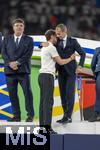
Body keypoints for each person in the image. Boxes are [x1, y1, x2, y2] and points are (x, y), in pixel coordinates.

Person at [38, 29, 75, 133]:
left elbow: (41, 45)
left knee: (43, 103)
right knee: (48, 103)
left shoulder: (45, 47)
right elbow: (61, 62)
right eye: (55, 37)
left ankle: (42, 128)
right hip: (48, 76)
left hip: (41, 76)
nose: (57, 39)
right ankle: (47, 128)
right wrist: (71, 58)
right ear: (52, 37)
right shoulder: (51, 47)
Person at [1, 18, 34, 122]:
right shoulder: (6, 39)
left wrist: (17, 63)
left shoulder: (29, 39)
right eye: (17, 25)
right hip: (10, 71)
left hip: (23, 71)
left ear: (23, 28)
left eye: (21, 25)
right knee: (12, 95)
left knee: (27, 94)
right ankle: (16, 116)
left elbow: (28, 54)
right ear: (13, 27)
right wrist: (10, 63)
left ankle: (30, 115)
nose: (19, 27)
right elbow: (4, 53)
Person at [55, 24, 86, 124]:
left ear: (64, 32)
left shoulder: (73, 41)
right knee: (63, 95)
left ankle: (68, 116)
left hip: (71, 72)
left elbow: (83, 54)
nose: (57, 35)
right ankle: (65, 116)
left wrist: (80, 66)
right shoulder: (56, 41)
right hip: (60, 72)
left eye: (59, 33)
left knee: (69, 94)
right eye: (56, 33)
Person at [89, 47, 100, 122]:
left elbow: (93, 64)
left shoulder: (98, 50)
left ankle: (96, 115)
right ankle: (96, 114)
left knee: (99, 94)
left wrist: (95, 73)